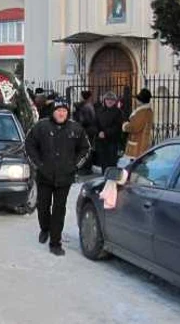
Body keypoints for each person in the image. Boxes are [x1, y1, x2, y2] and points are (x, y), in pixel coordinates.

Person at [25, 99, 90, 256]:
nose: (61, 113)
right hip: (44, 175)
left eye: (64, 111)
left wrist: (74, 166)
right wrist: (38, 165)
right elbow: (29, 145)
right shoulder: (41, 126)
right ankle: (44, 228)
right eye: (58, 110)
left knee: (59, 210)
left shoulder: (75, 128)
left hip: (64, 177)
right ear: (53, 112)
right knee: (43, 206)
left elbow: (85, 149)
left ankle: (55, 242)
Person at [95, 92, 124, 170]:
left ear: (115, 101)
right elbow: (95, 123)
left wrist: (106, 133)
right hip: (101, 141)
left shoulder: (118, 112)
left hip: (112, 141)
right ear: (104, 100)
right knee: (103, 162)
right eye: (107, 99)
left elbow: (117, 126)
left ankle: (111, 179)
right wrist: (99, 132)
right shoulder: (99, 110)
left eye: (112, 99)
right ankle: (104, 177)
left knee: (111, 161)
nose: (109, 101)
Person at [122, 88, 154, 158]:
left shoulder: (142, 112)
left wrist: (125, 126)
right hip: (141, 142)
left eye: (138, 99)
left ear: (141, 100)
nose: (136, 100)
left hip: (138, 144)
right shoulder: (145, 111)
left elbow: (135, 127)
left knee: (136, 165)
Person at [75, 91, 97, 174]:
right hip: (87, 131)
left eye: (81, 96)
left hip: (87, 131)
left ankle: (86, 168)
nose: (79, 98)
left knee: (86, 150)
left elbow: (85, 120)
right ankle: (85, 167)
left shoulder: (86, 107)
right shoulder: (87, 105)